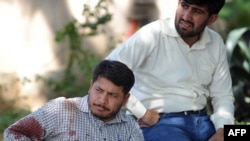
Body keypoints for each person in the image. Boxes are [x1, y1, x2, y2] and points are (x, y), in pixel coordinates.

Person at [105, 0, 235, 140]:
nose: (186, 16)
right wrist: (142, 112)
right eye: (184, 6)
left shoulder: (215, 42)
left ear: (212, 19)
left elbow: (223, 96)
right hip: (160, 123)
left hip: (203, 121)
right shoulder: (153, 34)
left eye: (196, 11)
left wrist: (222, 131)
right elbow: (107, 73)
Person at [4, 60, 144, 141]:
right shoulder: (62, 110)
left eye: (112, 95)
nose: (102, 100)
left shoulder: (130, 128)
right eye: (98, 90)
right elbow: (13, 133)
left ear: (125, 98)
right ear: (90, 86)